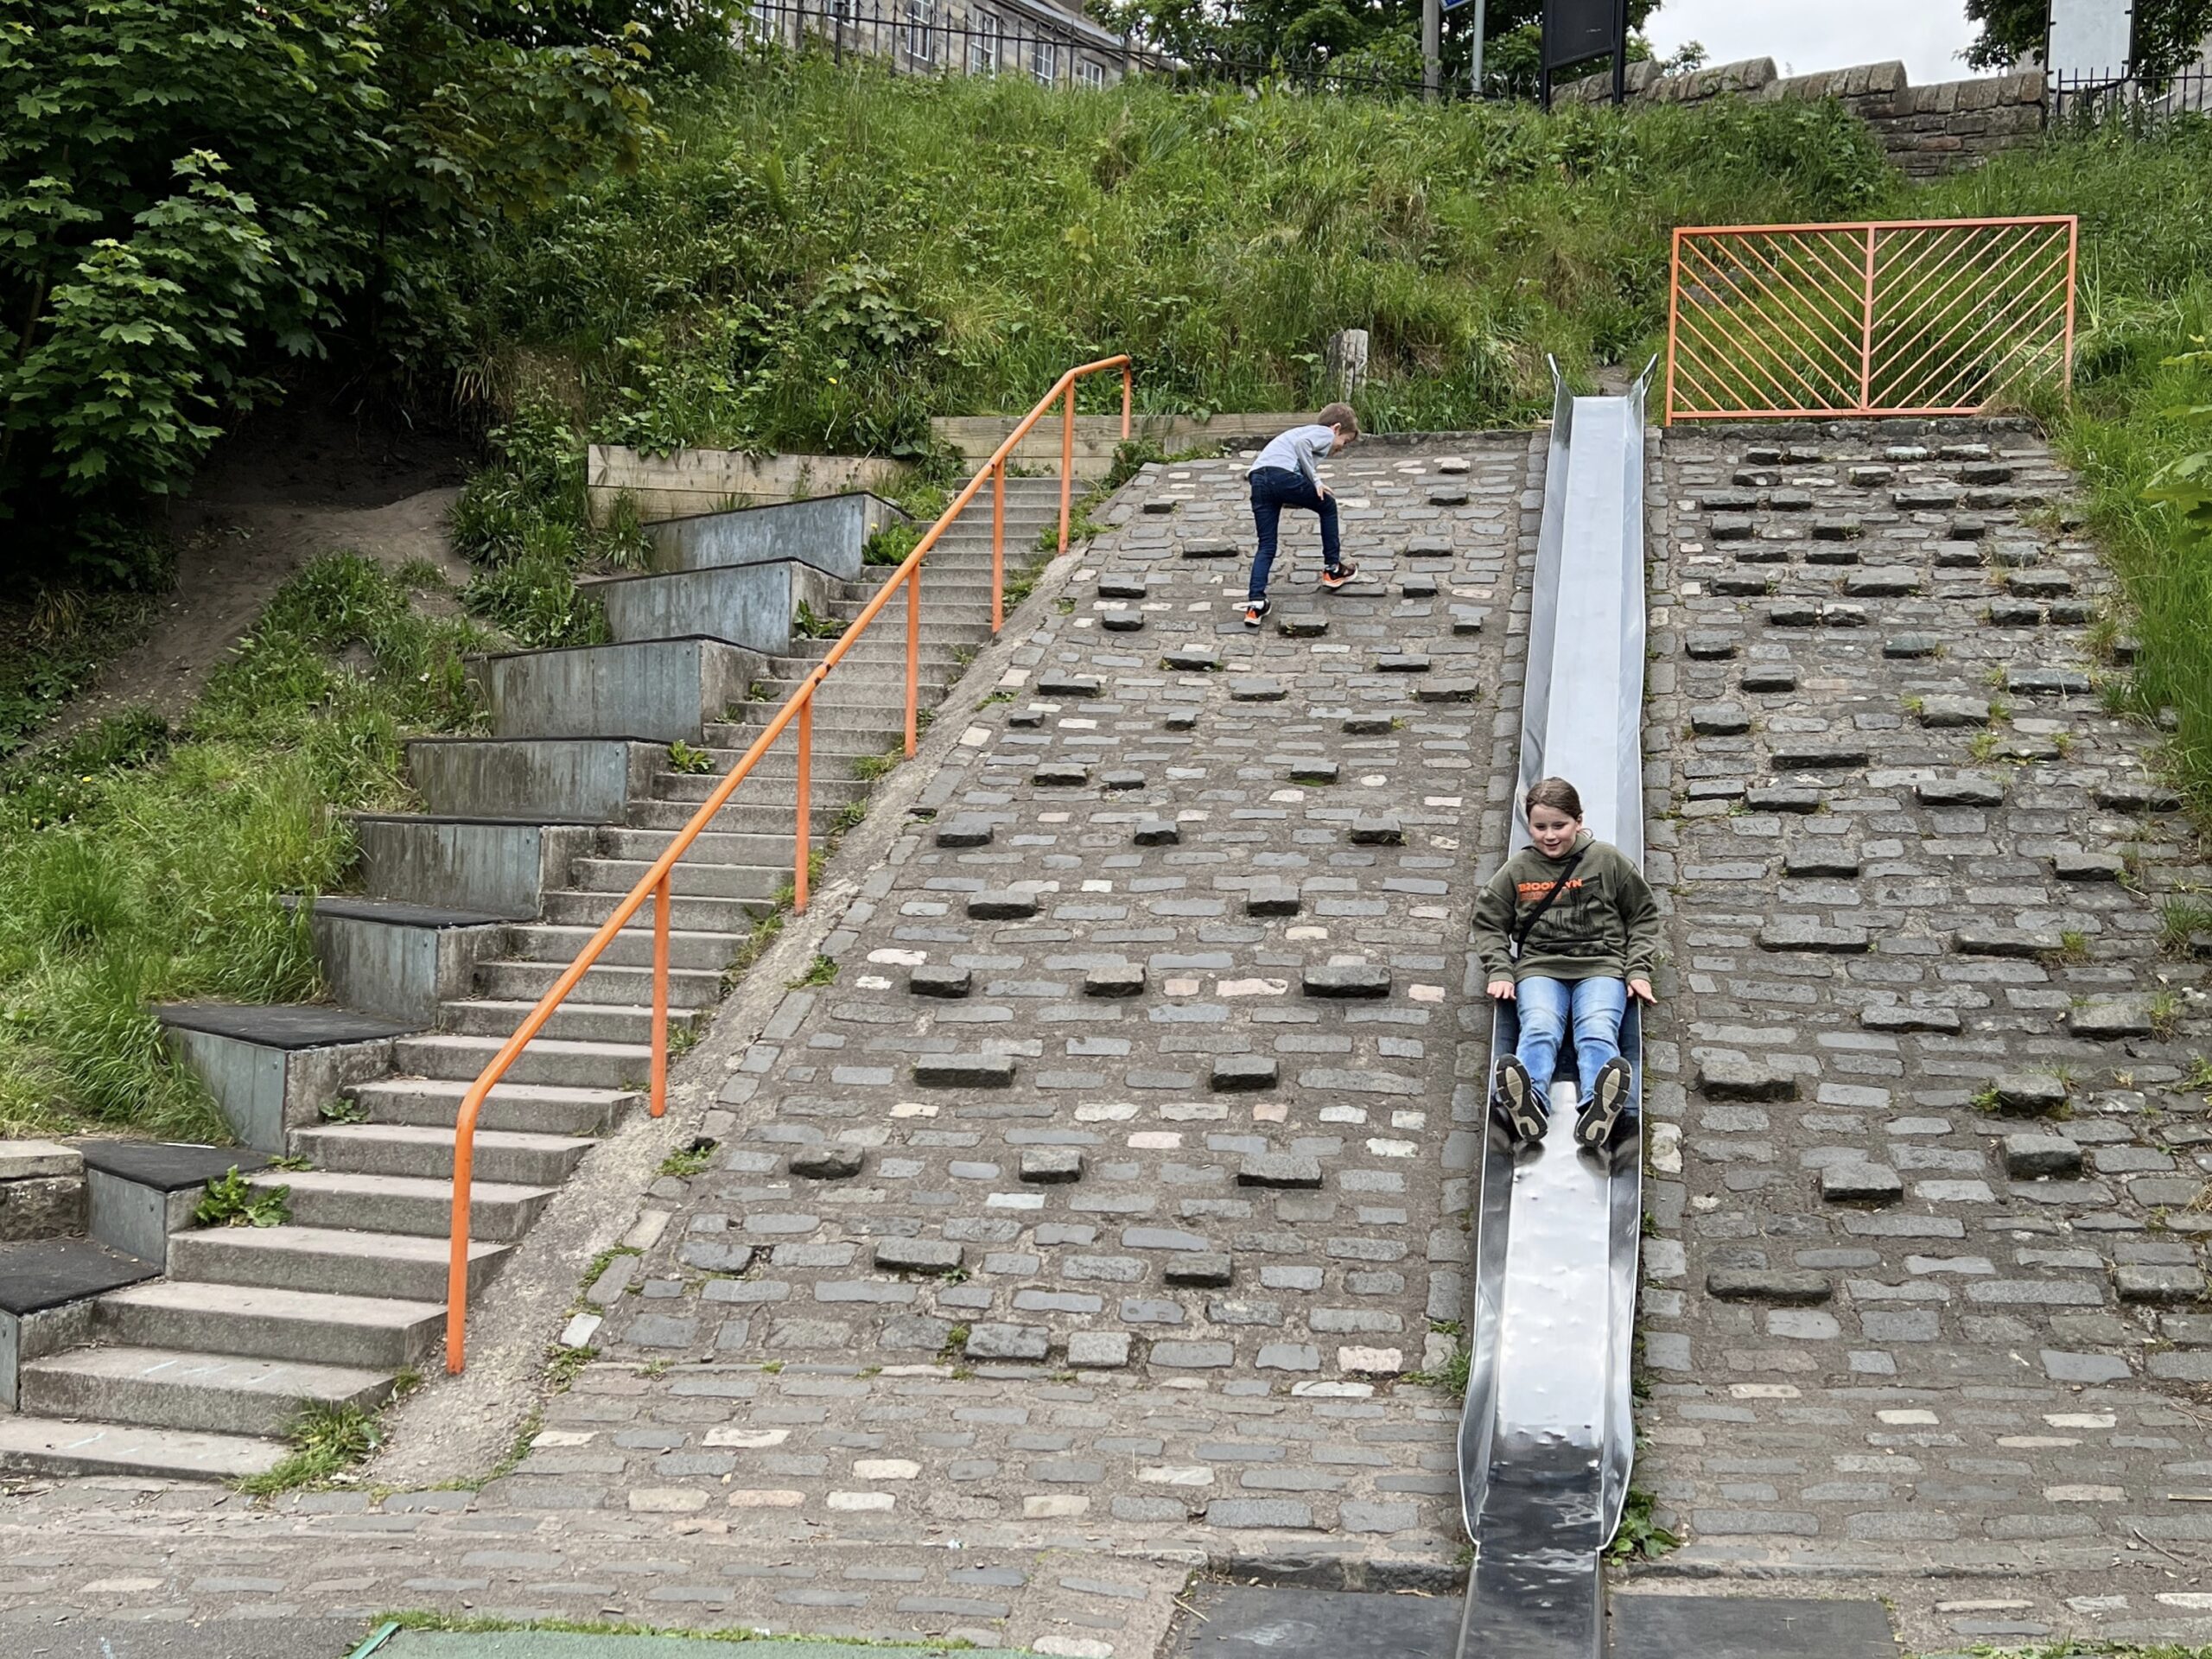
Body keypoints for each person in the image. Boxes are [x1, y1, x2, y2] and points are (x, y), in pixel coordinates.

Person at [1471, 777, 1661, 1150]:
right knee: (1540, 1026)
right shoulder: (1519, 869)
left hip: (1601, 965)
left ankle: (1599, 1106)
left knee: (1596, 1028)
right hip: (1540, 967)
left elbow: (1642, 915)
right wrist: (1499, 968)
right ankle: (1528, 1102)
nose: (1550, 836)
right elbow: (1488, 920)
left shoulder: (1606, 860)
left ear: (1578, 821)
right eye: (1540, 827)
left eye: (1559, 825)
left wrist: (1638, 968)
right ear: (1530, 826)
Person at [1240, 403, 1363, 628]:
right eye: (1344, 441)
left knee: (1266, 544)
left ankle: (1256, 603)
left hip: (1259, 480)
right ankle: (1333, 569)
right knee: (1328, 506)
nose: (1341, 448)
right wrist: (1316, 480)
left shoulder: (1302, 433)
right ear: (1336, 428)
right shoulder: (1323, 433)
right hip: (1280, 476)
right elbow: (1302, 445)